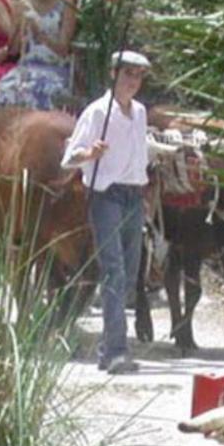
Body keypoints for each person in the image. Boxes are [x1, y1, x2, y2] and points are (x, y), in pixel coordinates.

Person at [62, 51, 152, 374]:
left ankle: (109, 348)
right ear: (113, 74)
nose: (132, 81)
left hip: (133, 195)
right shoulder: (98, 112)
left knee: (129, 271)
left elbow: (141, 153)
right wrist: (90, 152)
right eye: (127, 74)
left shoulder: (140, 113)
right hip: (107, 196)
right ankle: (116, 350)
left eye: (138, 76)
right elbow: (69, 158)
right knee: (114, 271)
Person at [0, 0, 76, 110]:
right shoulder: (23, 5)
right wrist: (19, 30)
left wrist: (41, 36)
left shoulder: (66, 6)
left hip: (54, 67)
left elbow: (64, 49)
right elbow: (14, 49)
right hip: (28, 65)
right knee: (7, 88)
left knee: (43, 90)